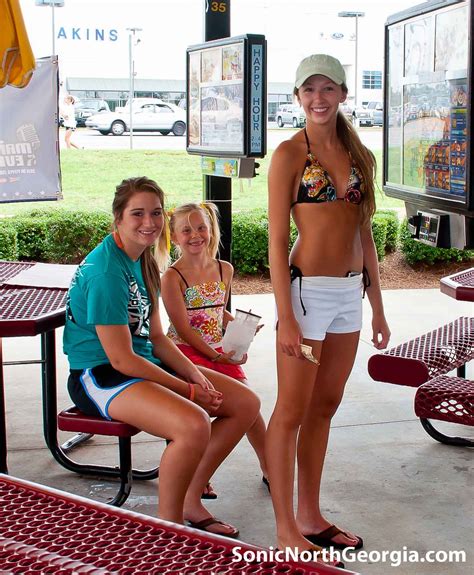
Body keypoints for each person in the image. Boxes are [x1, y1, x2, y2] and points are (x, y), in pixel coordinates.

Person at [63, 177, 260, 538]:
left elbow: (156, 337)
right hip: (100, 374)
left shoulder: (144, 260)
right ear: (118, 217)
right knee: (193, 423)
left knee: (245, 403)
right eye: (137, 213)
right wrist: (188, 392)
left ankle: (189, 498)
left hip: (143, 362)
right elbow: (121, 360)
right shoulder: (107, 272)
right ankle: (168, 530)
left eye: (155, 213)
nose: (149, 223)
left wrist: (195, 375)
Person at [266, 54, 391, 555]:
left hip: (348, 294)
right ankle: (284, 530)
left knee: (325, 406)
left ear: (342, 94)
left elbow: (365, 231)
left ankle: (310, 516)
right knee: (291, 411)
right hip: (307, 294)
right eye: (308, 90)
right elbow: (276, 241)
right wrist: (287, 318)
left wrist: (377, 304)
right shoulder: (290, 154)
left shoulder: (359, 154)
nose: (318, 98)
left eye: (328, 89)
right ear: (298, 97)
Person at [161, 202, 268, 498]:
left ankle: (270, 466)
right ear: (174, 237)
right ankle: (196, 472)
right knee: (205, 410)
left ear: (211, 230)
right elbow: (183, 328)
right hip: (186, 353)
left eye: (201, 228)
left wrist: (240, 333)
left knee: (251, 408)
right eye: (186, 230)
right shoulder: (172, 277)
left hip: (217, 350)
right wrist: (212, 354)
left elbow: (218, 313)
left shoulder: (224, 269)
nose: (195, 235)